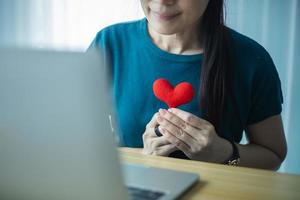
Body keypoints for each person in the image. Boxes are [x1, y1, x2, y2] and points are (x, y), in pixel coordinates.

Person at [89, 0, 287, 170]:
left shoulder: (251, 59)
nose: (162, 1)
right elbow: (75, 143)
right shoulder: (108, 44)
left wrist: (223, 153)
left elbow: (273, 155)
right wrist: (143, 157)